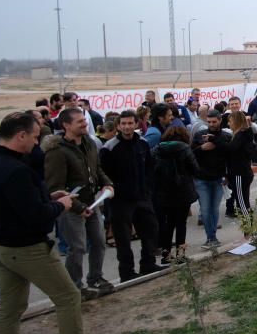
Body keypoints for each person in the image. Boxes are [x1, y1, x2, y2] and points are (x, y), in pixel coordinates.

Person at [0, 112, 120, 334]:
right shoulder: (15, 170)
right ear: (20, 135)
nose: (36, 141)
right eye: (34, 135)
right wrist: (61, 206)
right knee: (68, 296)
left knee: (10, 310)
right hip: (27, 248)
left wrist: (46, 197)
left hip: (1, 246)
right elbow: (36, 216)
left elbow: (3, 201)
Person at [43, 108, 115, 298]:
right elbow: (54, 187)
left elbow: (96, 169)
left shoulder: (89, 143)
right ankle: (74, 287)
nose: (85, 124)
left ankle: (96, 278)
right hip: (72, 209)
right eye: (79, 122)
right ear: (66, 125)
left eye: (84, 120)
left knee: (99, 243)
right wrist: (77, 207)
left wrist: (107, 184)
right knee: (78, 247)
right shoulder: (57, 151)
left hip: (93, 202)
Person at [100, 110, 163, 282]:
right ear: (118, 126)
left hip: (142, 198)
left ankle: (148, 264)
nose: (127, 127)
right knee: (123, 239)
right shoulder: (109, 147)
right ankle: (127, 273)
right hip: (120, 201)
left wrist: (148, 189)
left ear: (136, 124)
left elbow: (149, 167)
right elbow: (104, 174)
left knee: (150, 230)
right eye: (123, 124)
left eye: (130, 123)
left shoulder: (142, 143)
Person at [152, 125, 199, 264]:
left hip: (163, 191)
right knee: (181, 223)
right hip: (182, 190)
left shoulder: (157, 149)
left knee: (168, 223)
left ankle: (166, 254)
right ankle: (180, 253)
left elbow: (150, 169)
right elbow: (195, 169)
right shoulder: (184, 149)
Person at [192, 110, 229, 248]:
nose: (212, 124)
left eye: (214, 121)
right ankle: (210, 237)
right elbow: (191, 154)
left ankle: (212, 236)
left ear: (220, 120)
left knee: (214, 209)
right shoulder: (199, 135)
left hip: (219, 179)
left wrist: (227, 175)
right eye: (209, 122)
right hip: (202, 179)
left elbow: (229, 153)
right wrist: (202, 148)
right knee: (206, 210)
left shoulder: (225, 136)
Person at [225, 111, 255, 218]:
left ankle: (248, 230)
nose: (229, 124)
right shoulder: (242, 135)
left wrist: (215, 140)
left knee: (242, 204)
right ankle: (250, 229)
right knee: (243, 202)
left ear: (236, 122)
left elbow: (231, 149)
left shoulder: (240, 136)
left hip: (239, 174)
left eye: (230, 121)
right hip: (243, 173)